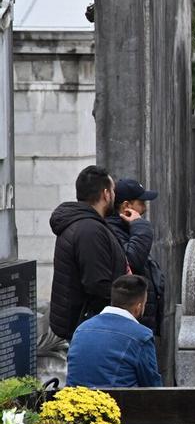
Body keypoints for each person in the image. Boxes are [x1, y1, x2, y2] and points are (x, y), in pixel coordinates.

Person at [49, 165, 128, 341]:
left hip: (89, 326)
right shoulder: (89, 229)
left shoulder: (87, 224)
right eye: (113, 191)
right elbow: (97, 284)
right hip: (93, 329)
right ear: (106, 194)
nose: (114, 196)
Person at [66, 275, 162, 388]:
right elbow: (152, 386)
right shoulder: (142, 336)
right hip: (117, 398)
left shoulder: (81, 329)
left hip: (74, 398)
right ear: (139, 307)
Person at [104, 178, 166, 335]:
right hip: (129, 322)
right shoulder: (114, 230)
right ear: (127, 206)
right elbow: (132, 261)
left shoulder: (128, 228)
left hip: (140, 317)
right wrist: (141, 226)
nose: (145, 207)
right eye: (141, 202)